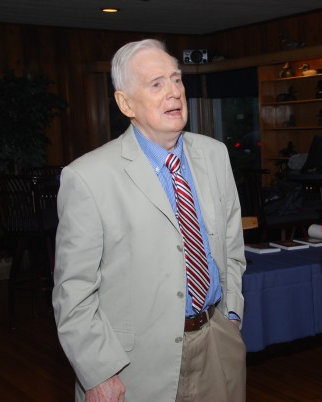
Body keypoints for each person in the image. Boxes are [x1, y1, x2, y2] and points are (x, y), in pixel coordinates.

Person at [52, 39, 247, 402]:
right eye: (156, 84)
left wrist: (231, 313)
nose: (174, 91)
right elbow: (73, 292)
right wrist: (97, 372)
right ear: (125, 103)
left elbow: (232, 245)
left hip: (216, 342)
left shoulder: (214, 155)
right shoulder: (89, 177)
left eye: (176, 79)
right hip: (132, 367)